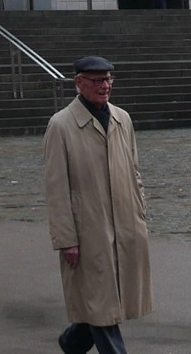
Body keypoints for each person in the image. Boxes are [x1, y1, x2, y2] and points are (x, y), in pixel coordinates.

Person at [43, 56, 152, 354]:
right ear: (79, 83)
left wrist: (139, 212)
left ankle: (73, 341)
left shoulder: (122, 118)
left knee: (104, 300)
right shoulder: (61, 126)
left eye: (107, 80)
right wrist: (67, 239)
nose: (104, 86)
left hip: (125, 222)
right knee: (102, 305)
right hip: (88, 228)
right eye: (96, 81)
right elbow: (56, 188)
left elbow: (134, 170)